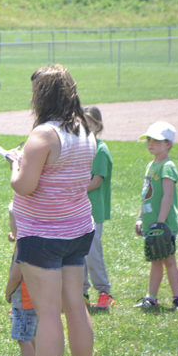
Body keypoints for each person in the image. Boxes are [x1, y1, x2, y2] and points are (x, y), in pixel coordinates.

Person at [9, 64, 96, 356]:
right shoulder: (86, 130)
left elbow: (25, 186)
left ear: (41, 96)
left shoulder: (43, 135)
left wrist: (16, 163)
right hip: (77, 229)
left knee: (48, 313)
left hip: (43, 235)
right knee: (76, 305)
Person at [133, 121, 178, 310]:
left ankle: (177, 299)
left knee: (169, 260)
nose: (150, 144)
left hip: (163, 225)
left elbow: (167, 197)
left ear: (168, 144)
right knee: (155, 260)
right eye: (149, 140)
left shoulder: (167, 166)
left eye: (156, 140)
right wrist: (140, 218)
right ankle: (151, 297)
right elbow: (145, 196)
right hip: (151, 223)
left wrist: (161, 224)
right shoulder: (150, 165)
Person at [82, 106, 114, 309]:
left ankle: (104, 292)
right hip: (78, 211)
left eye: (88, 122)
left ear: (97, 125)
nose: (84, 125)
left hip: (94, 211)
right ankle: (81, 293)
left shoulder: (100, 150)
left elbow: (95, 182)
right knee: (79, 254)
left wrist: (71, 188)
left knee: (93, 253)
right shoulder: (81, 148)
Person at [4, 202, 37, 356]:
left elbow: (16, 274)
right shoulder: (32, 239)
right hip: (35, 298)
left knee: (22, 337)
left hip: (23, 299)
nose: (10, 225)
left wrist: (8, 292)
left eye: (11, 221)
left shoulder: (22, 246)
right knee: (34, 335)